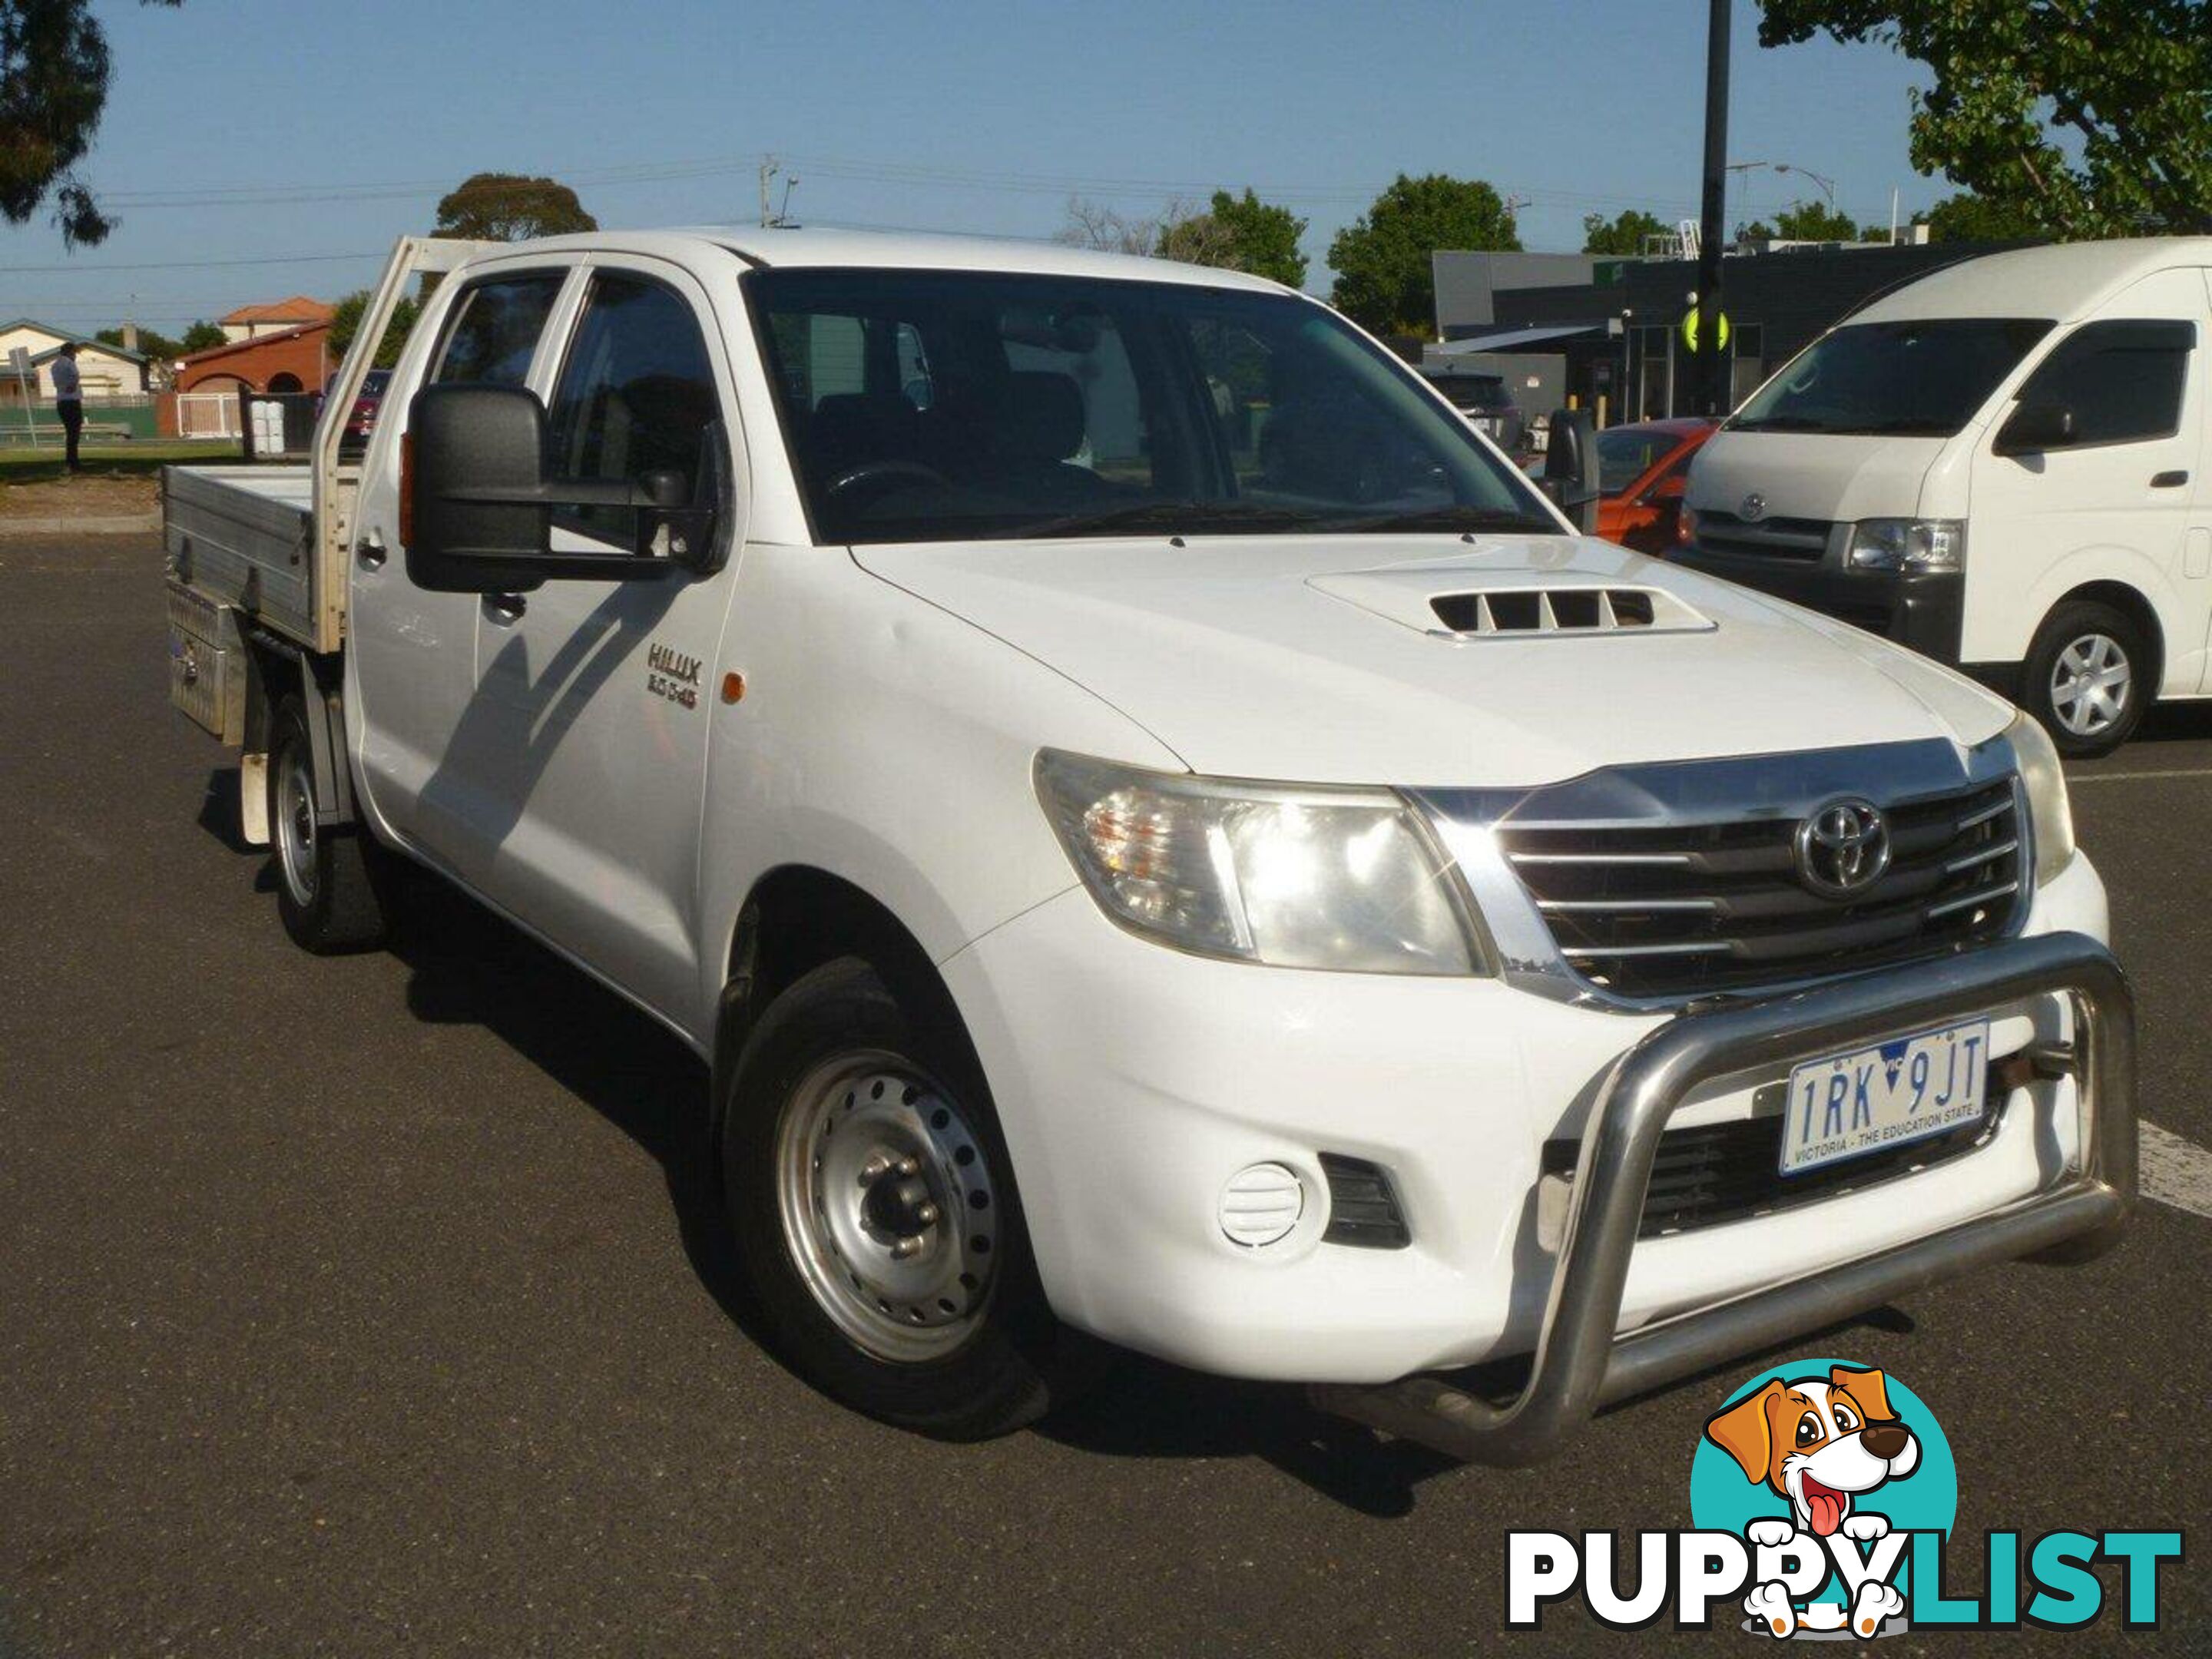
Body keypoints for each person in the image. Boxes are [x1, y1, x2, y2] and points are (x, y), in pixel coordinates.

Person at [51, 343, 84, 474]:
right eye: (74, 352)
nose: (75, 355)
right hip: (72, 400)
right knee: (74, 432)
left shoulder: (54, 365)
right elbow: (75, 376)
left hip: (61, 401)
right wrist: (72, 385)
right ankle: (72, 461)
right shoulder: (69, 363)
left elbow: (55, 383)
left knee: (70, 431)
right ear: (70, 352)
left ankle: (71, 460)